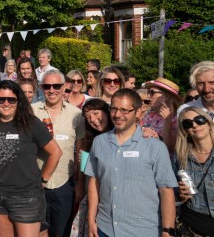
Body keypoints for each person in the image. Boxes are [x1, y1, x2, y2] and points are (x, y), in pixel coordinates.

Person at [84, 89, 177, 237]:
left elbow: (166, 191)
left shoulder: (155, 147)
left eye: (124, 110)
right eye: (114, 109)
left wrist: (167, 231)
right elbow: (94, 181)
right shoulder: (99, 142)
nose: (117, 115)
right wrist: (90, 219)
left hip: (143, 230)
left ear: (138, 112)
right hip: (105, 227)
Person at [0, 80, 62, 237]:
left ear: (18, 101)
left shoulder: (30, 123)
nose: (6, 103)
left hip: (26, 196)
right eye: (1, 99)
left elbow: (56, 152)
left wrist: (43, 179)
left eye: (11, 99)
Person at [32, 69, 85, 237]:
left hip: (64, 184)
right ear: (41, 87)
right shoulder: (31, 111)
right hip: (36, 183)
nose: (52, 90)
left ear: (64, 87)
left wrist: (80, 184)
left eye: (56, 86)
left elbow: (81, 150)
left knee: (62, 232)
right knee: (37, 231)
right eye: (47, 86)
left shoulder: (76, 114)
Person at [70, 99, 113, 237]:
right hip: (94, 195)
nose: (93, 120)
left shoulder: (121, 133)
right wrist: (80, 185)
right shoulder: (90, 140)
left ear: (107, 112)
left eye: (96, 113)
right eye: (88, 118)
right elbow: (85, 170)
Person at [174, 107, 214, 235]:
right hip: (193, 227)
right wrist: (179, 193)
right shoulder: (180, 156)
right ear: (185, 131)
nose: (195, 125)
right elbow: (170, 190)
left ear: (208, 123)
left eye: (199, 120)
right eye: (188, 123)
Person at [142, 77, 181, 153]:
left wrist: (167, 121)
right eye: (148, 92)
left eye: (152, 92)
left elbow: (168, 148)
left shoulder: (177, 119)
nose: (148, 96)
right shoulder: (150, 115)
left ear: (166, 96)